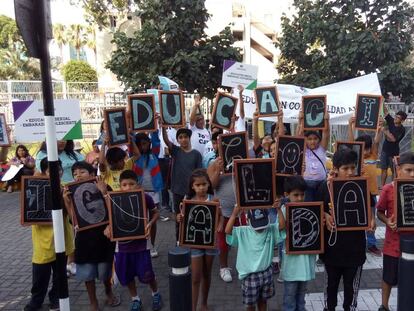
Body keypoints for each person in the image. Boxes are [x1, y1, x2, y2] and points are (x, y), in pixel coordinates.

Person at [317, 148, 374, 311]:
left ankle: (350, 307)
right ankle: (330, 308)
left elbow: (370, 208)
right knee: (331, 286)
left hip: (355, 250)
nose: (350, 172)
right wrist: (325, 215)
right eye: (345, 168)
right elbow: (317, 208)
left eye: (352, 167)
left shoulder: (362, 186)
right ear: (335, 168)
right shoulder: (325, 187)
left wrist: (371, 220)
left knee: (351, 288)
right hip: (332, 249)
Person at [63, 161, 118, 311]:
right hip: (84, 240)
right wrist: (67, 203)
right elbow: (73, 221)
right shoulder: (71, 192)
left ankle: (108, 291)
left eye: (82, 172)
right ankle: (93, 302)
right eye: (74, 173)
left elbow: (114, 210)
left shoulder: (105, 187)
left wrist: (104, 192)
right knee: (87, 273)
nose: (77, 176)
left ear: (93, 174)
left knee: (104, 270)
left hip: (104, 238)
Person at [104, 170, 162, 311]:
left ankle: (156, 293)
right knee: (128, 275)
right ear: (120, 185)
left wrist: (150, 223)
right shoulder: (114, 199)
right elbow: (111, 219)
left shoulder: (145, 198)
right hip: (122, 247)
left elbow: (156, 213)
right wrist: (108, 228)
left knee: (148, 274)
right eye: (124, 184)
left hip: (142, 245)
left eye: (131, 184)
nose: (128, 187)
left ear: (138, 184)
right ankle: (135, 299)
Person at [24, 158, 74, 311]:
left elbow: (71, 216)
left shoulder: (65, 189)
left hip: (61, 236)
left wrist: (66, 200)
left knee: (59, 274)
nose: (56, 172)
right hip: (42, 238)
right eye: (51, 169)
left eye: (58, 169)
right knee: (40, 274)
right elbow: (28, 211)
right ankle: (36, 300)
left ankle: (55, 298)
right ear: (44, 171)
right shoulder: (34, 188)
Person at [225, 202, 284, 311]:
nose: (260, 228)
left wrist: (279, 209)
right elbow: (227, 231)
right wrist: (234, 214)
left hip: (266, 272)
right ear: (248, 221)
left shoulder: (270, 229)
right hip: (249, 275)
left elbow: (282, 226)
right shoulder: (243, 231)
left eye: (262, 224)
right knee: (250, 305)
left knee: (263, 301)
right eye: (257, 225)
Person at [176, 169, 219, 311]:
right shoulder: (188, 201)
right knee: (195, 277)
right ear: (192, 186)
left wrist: (219, 226)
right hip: (194, 244)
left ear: (208, 185)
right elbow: (183, 221)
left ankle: (204, 303)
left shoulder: (214, 200)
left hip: (210, 243)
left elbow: (221, 218)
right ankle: (193, 307)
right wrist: (179, 218)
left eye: (204, 184)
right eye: (198, 185)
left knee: (207, 274)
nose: (201, 187)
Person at [376, 152, 414, 311]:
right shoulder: (387, 189)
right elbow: (379, 211)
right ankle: (384, 305)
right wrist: (387, 222)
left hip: (412, 245)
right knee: (389, 277)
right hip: (393, 245)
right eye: (409, 170)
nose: (413, 174)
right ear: (398, 169)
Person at [278, 176, 316, 311]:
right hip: (292, 267)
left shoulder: (310, 209)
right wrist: (278, 209)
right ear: (286, 195)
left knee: (301, 299)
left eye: (302, 194)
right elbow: (281, 228)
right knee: (289, 298)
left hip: (305, 265)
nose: (300, 198)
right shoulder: (284, 211)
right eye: (296, 195)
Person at [207, 156, 247, 283]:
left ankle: (244, 265)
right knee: (223, 242)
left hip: (241, 210)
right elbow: (210, 186)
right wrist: (218, 170)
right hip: (223, 211)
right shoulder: (213, 164)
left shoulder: (243, 159)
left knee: (245, 239)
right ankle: (223, 267)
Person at [348, 115, 383, 256]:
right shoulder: (356, 157)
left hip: (371, 194)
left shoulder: (373, 155)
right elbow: (351, 143)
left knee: (371, 220)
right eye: (364, 148)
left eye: (368, 148)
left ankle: (371, 243)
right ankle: (357, 243)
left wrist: (379, 129)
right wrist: (350, 126)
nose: (366, 151)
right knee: (357, 219)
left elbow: (376, 141)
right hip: (358, 192)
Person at [161, 124, 202, 242]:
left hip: (191, 192)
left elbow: (198, 174)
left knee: (192, 216)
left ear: (189, 138)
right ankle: (179, 241)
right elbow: (166, 140)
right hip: (177, 190)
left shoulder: (196, 154)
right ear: (178, 140)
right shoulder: (176, 151)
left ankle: (192, 239)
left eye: (185, 137)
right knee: (179, 218)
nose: (183, 139)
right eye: (181, 137)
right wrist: (163, 127)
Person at [133, 131, 164, 257]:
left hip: (153, 191)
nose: (143, 147)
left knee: (153, 219)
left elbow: (156, 141)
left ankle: (152, 245)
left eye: (145, 144)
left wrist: (154, 130)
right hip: (139, 191)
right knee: (140, 219)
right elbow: (132, 145)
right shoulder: (134, 156)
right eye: (140, 145)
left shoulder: (154, 154)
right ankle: (140, 245)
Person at [297, 109, 330, 201]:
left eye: (315, 138)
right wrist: (300, 120)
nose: (312, 141)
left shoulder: (322, 148)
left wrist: (327, 120)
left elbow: (326, 133)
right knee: (310, 206)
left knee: (322, 206)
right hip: (307, 183)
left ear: (319, 140)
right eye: (309, 139)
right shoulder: (303, 149)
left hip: (322, 183)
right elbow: (299, 135)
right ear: (306, 140)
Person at [380, 106, 407, 186]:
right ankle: (382, 187)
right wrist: (382, 100)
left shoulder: (402, 129)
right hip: (385, 150)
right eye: (396, 116)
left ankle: (393, 186)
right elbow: (385, 111)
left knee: (394, 171)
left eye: (398, 117)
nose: (395, 118)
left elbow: (393, 139)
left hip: (393, 153)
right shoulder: (391, 120)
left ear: (402, 120)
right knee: (383, 169)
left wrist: (385, 131)